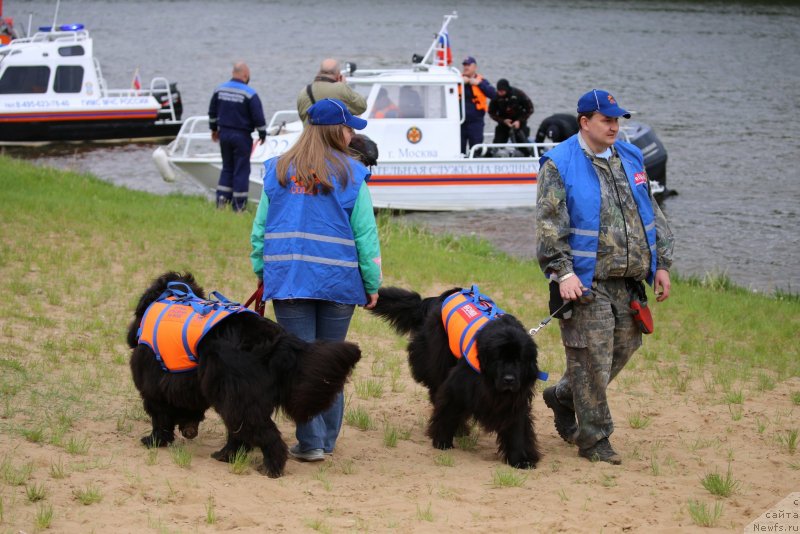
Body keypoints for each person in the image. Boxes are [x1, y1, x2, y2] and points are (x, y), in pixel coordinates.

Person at [535, 89, 674, 465]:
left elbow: (652, 214)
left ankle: (563, 396)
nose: (614, 126)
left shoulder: (630, 156)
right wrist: (562, 272)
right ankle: (594, 439)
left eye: (617, 120)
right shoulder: (559, 163)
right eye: (606, 120)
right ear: (585, 122)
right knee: (591, 359)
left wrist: (661, 263)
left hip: (627, 281)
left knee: (625, 348)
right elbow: (549, 225)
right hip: (584, 283)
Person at [250, 98, 382, 462]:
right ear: (334, 131)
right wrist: (372, 282)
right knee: (330, 360)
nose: (352, 134)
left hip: (290, 280)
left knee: (299, 362)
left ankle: (311, 443)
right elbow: (366, 237)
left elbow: (260, 229)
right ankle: (325, 440)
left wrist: (261, 269)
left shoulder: (277, 171)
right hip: (338, 283)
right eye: (348, 127)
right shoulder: (353, 175)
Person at [208, 62, 267, 212]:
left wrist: (214, 129)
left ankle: (221, 201)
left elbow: (212, 112)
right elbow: (258, 117)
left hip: (224, 134)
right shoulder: (249, 93)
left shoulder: (219, 89)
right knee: (241, 169)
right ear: (245, 75)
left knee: (227, 167)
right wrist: (262, 133)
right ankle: (239, 206)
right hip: (241, 136)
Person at [297, 59, 367, 124]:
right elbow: (361, 106)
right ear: (338, 74)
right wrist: (344, 85)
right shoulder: (341, 89)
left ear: (320, 72)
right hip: (334, 136)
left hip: (311, 136)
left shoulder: (304, 91)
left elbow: (302, 116)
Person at [459, 56, 496, 154]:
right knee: (459, 150)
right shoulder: (457, 80)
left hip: (475, 122)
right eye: (464, 65)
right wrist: (461, 82)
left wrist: (478, 84)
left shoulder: (481, 81)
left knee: (476, 149)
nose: (466, 67)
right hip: (460, 123)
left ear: (474, 67)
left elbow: (493, 94)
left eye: (468, 65)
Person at [488, 78, 534, 143]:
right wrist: (503, 121)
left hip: (519, 123)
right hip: (503, 124)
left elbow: (530, 109)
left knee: (522, 144)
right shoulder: (496, 97)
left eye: (502, 91)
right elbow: (491, 112)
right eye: (498, 91)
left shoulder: (519, 94)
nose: (500, 93)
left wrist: (519, 121)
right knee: (497, 142)